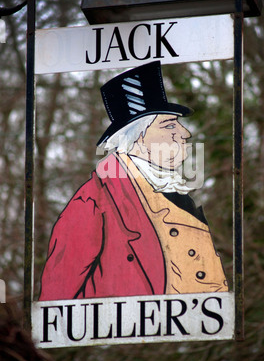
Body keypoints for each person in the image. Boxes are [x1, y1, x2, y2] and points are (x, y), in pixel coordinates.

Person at [39, 61, 228, 301]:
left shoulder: (176, 192)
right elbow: (57, 297)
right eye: (169, 125)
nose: (184, 133)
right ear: (137, 138)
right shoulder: (93, 201)